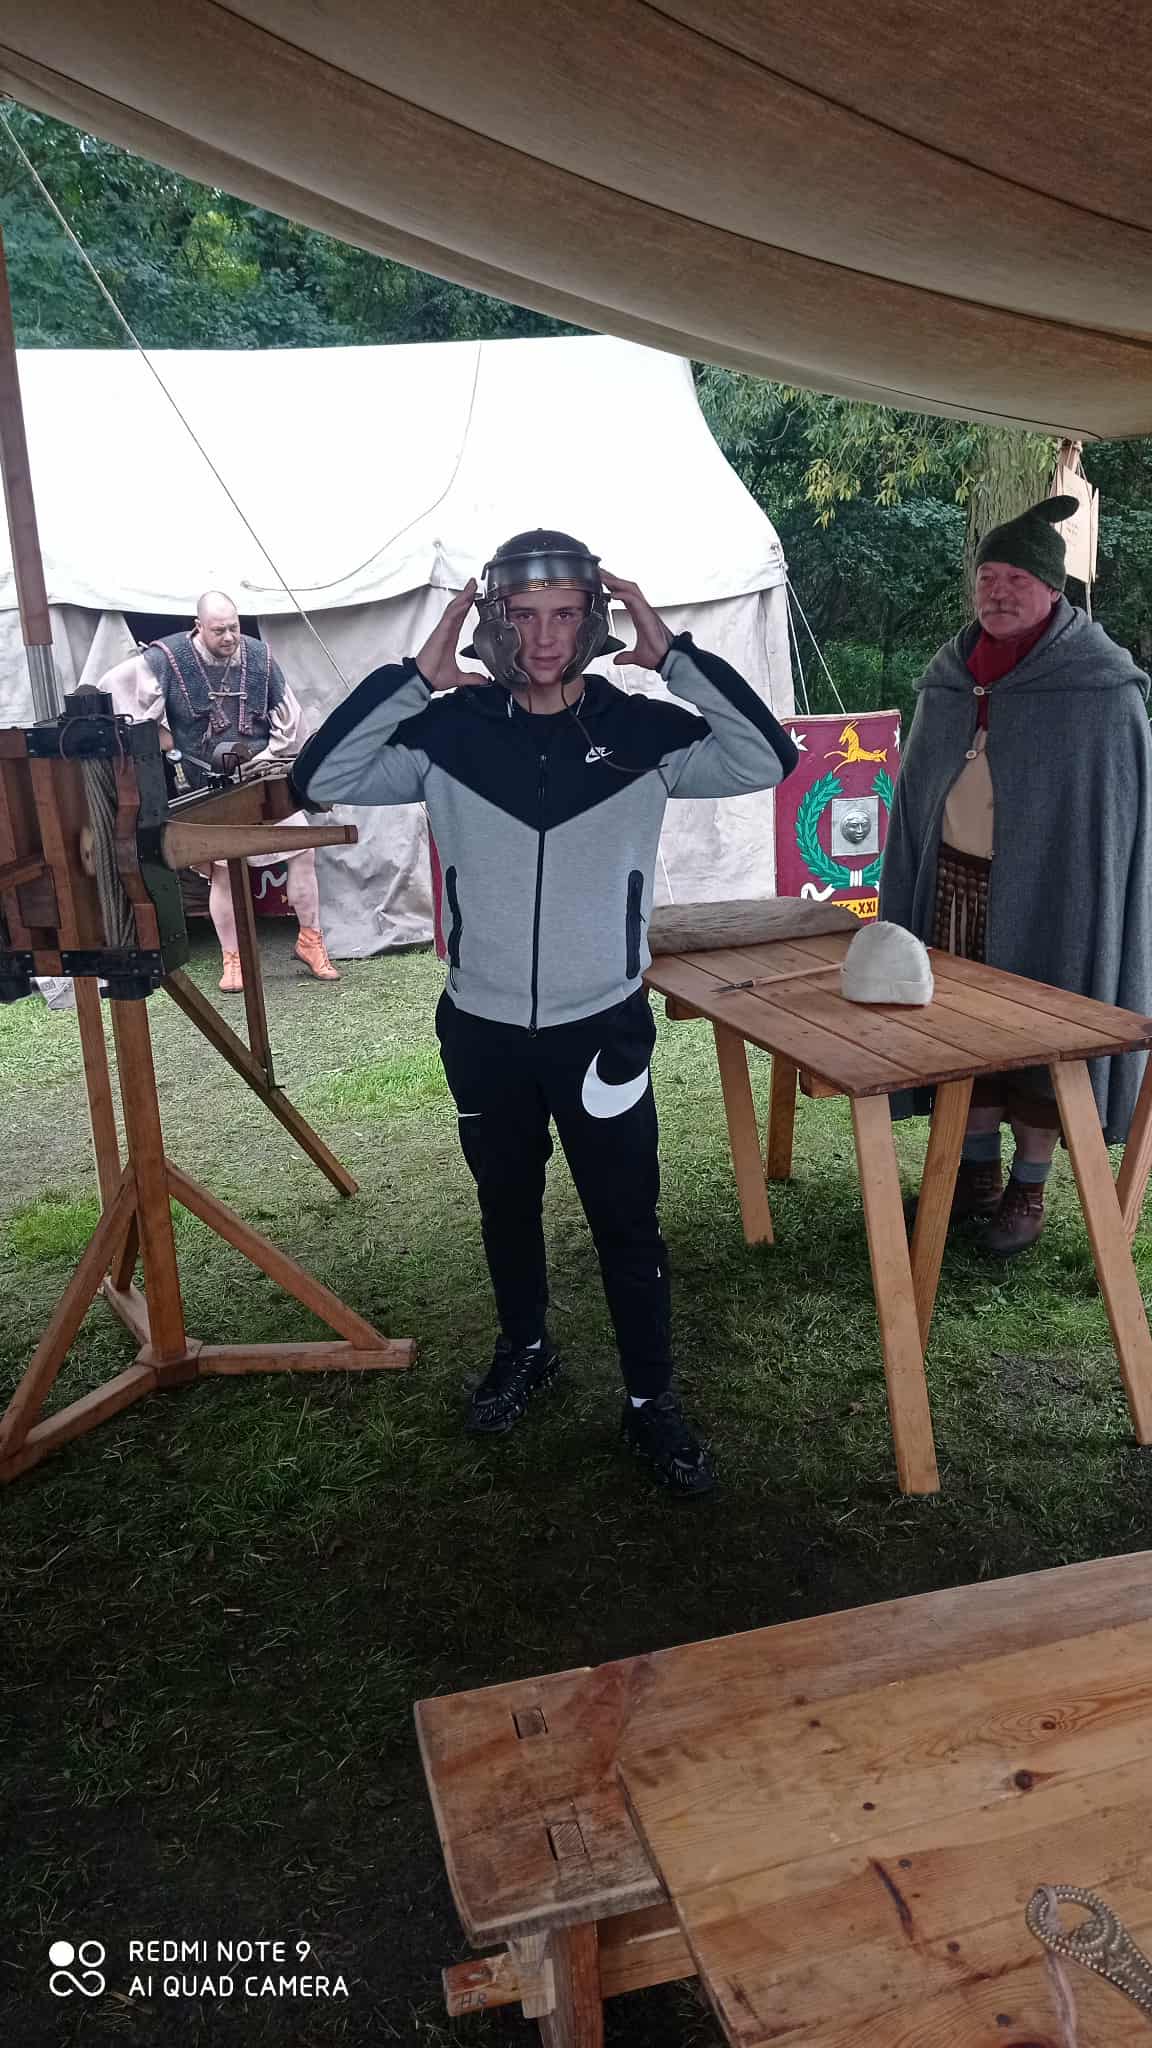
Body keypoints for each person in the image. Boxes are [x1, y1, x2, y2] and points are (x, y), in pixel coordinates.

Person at [291, 530, 798, 1492]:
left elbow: (765, 756)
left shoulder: (642, 732)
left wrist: (675, 658)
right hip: (481, 1028)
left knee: (626, 1220)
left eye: (565, 614)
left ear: (595, 619)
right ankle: (525, 1348)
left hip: (602, 1028)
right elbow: (320, 778)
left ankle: (650, 1400)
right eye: (523, 616)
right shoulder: (450, 732)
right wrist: (416, 679)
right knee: (506, 1201)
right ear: (492, 621)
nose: (544, 637)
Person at [880, 495, 1152, 1254]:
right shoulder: (949, 676)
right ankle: (973, 1172)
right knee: (956, 1032)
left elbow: (1114, 819)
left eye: (1017, 581)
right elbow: (919, 794)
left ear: (1053, 590)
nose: (998, 594)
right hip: (953, 889)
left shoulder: (1099, 685)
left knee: (1041, 1043)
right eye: (988, 578)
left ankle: (1028, 1186)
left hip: (1057, 898)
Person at [100, 592, 340, 992]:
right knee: (225, 870)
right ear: (199, 627)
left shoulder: (259, 657)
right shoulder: (168, 658)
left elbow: (289, 720)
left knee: (303, 850)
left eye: (234, 628)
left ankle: (310, 940)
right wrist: (160, 735)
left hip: (261, 781)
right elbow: (114, 689)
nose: (229, 637)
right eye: (218, 630)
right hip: (208, 788)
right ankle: (233, 959)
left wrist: (264, 759)